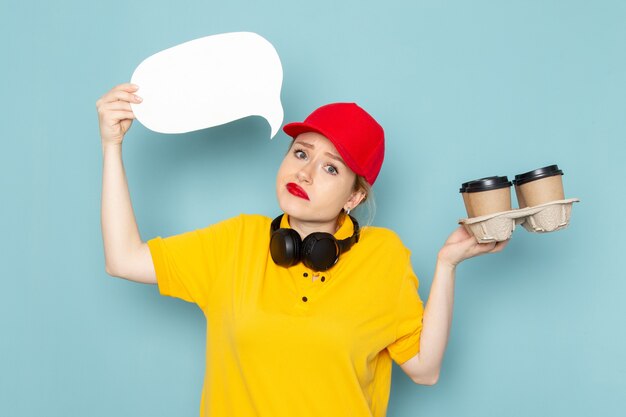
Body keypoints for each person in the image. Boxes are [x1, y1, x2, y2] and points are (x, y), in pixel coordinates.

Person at [97, 83, 508, 417]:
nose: (305, 173)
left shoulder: (383, 256)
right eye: (300, 152)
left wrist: (447, 264)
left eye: (331, 167)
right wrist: (112, 146)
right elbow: (124, 258)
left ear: (353, 197)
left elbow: (425, 369)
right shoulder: (235, 242)